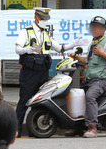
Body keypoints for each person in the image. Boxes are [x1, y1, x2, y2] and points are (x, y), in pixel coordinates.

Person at [15, 8, 88, 137]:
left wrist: (75, 43)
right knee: (25, 100)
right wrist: (27, 49)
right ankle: (16, 129)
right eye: (43, 19)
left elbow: (60, 48)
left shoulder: (46, 34)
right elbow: (17, 49)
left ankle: (35, 128)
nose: (45, 21)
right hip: (29, 72)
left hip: (43, 71)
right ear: (36, 17)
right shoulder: (26, 32)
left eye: (46, 19)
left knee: (41, 100)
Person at [67, 16, 106, 138]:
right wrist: (75, 57)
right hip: (90, 79)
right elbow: (88, 60)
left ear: (103, 30)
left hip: (103, 79)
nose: (94, 29)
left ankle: (92, 127)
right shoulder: (93, 43)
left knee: (90, 96)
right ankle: (79, 127)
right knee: (78, 98)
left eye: (97, 27)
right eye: (93, 27)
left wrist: (102, 53)